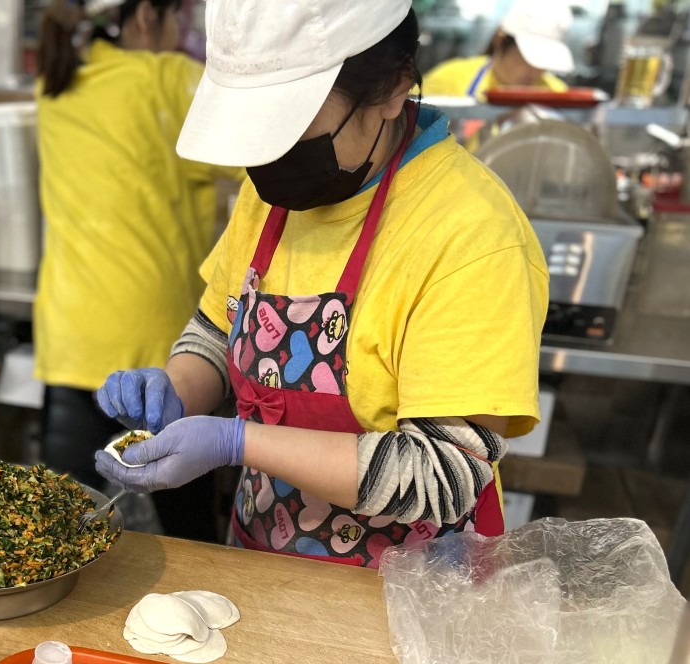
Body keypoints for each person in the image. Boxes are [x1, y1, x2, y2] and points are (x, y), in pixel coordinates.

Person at [93, 0, 548, 567]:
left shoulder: (470, 232)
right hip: (262, 560)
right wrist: (177, 392)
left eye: (287, 123)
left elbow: (445, 474)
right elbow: (217, 327)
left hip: (411, 598)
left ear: (391, 87)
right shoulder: (269, 196)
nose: (269, 155)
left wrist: (235, 441)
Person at [34, 0, 241, 541]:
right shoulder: (168, 80)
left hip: (69, 341)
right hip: (156, 355)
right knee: (188, 538)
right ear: (147, 15)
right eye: (182, 17)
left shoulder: (55, 84)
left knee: (57, 534)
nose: (185, 32)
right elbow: (270, 157)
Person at [422, 1, 574, 100]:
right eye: (530, 59)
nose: (536, 71)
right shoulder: (449, 80)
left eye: (545, 61)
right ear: (500, 41)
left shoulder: (557, 94)